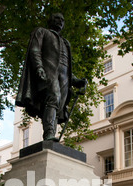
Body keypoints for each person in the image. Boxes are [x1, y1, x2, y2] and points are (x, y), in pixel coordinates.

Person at [16, 13, 87, 142]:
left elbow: (67, 66)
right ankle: (48, 134)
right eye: (57, 19)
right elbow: (35, 50)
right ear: (50, 21)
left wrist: (76, 81)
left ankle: (51, 135)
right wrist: (39, 67)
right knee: (53, 98)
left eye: (62, 20)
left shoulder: (66, 43)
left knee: (58, 106)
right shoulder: (41, 32)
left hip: (64, 77)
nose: (60, 21)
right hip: (49, 71)